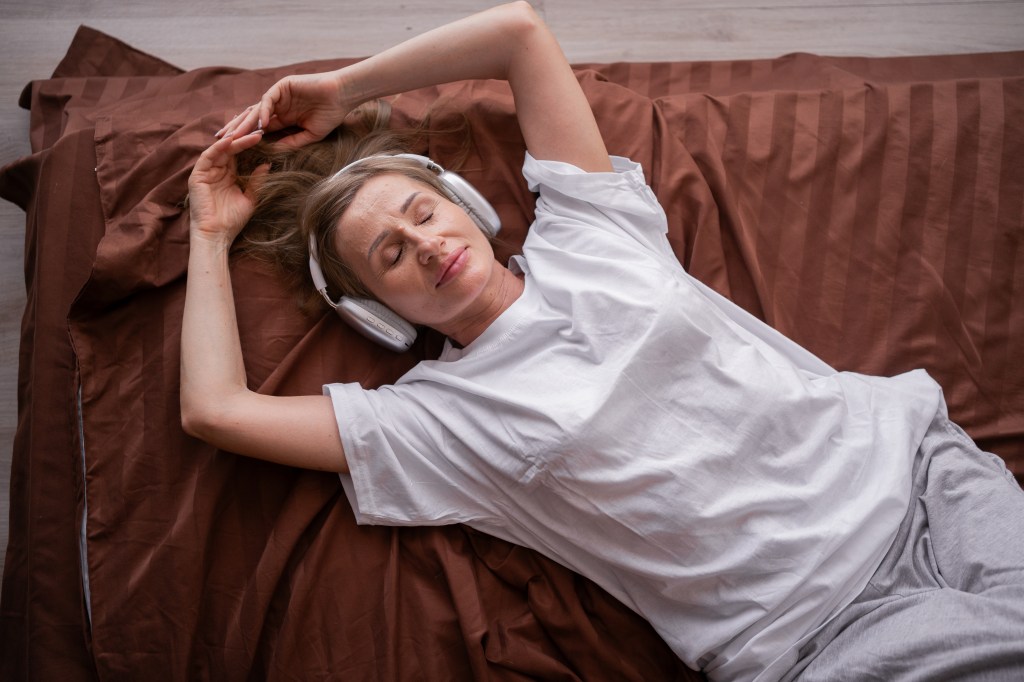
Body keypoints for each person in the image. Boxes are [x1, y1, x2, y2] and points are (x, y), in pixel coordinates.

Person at [182, 2, 1024, 680]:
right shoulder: (432, 423)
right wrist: (211, 231)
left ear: (466, 204)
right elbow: (215, 411)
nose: (426, 244)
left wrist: (343, 86)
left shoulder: (588, 232)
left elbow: (518, 31)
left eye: (422, 212)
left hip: (921, 474)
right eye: (390, 255)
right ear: (374, 313)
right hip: (818, 634)